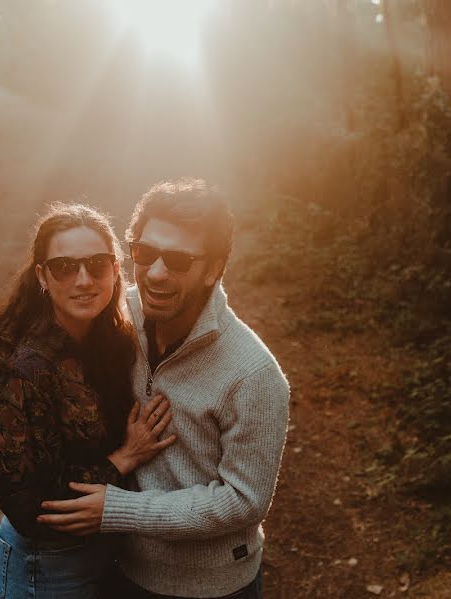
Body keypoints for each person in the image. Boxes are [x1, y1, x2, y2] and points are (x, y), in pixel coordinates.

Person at [37, 179, 290, 598]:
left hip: (210, 587)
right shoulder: (117, 315)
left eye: (177, 260)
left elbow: (245, 501)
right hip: (119, 567)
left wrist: (118, 511)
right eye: (145, 252)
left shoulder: (253, 375)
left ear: (213, 269)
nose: (155, 272)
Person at [0, 203, 177, 599]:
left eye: (97, 264)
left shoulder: (112, 340)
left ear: (116, 270)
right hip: (44, 569)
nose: (83, 280)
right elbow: (26, 505)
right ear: (43, 276)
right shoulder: (25, 371)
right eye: (64, 267)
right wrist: (125, 459)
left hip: (108, 556)